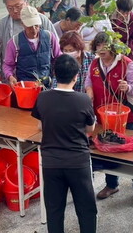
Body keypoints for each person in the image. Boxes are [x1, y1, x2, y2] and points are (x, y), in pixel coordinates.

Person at [31, 54, 97, 233]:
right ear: (76, 77)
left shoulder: (43, 97)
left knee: (54, 211)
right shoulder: (83, 100)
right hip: (78, 162)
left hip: (51, 163)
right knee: (86, 210)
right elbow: (90, 129)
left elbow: (39, 126)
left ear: (54, 74)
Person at [85, 32, 133, 203]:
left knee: (131, 153)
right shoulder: (95, 64)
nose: (100, 52)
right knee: (108, 150)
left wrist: (128, 87)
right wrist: (89, 90)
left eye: (104, 48)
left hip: (126, 118)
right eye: (98, 49)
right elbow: (88, 80)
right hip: (103, 117)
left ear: (113, 47)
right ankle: (111, 184)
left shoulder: (126, 64)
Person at [0, 0, 57, 84]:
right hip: (15, 79)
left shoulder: (42, 20)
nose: (15, 11)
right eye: (10, 8)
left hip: (44, 76)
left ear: (27, 3)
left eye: (18, 6)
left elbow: (56, 49)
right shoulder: (1, 26)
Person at [3, 6, 62, 86]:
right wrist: (10, 76)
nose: (34, 30)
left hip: (47, 84)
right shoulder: (14, 42)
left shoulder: (49, 37)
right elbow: (8, 64)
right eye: (30, 26)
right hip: (25, 86)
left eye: (36, 25)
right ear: (22, 24)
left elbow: (58, 57)